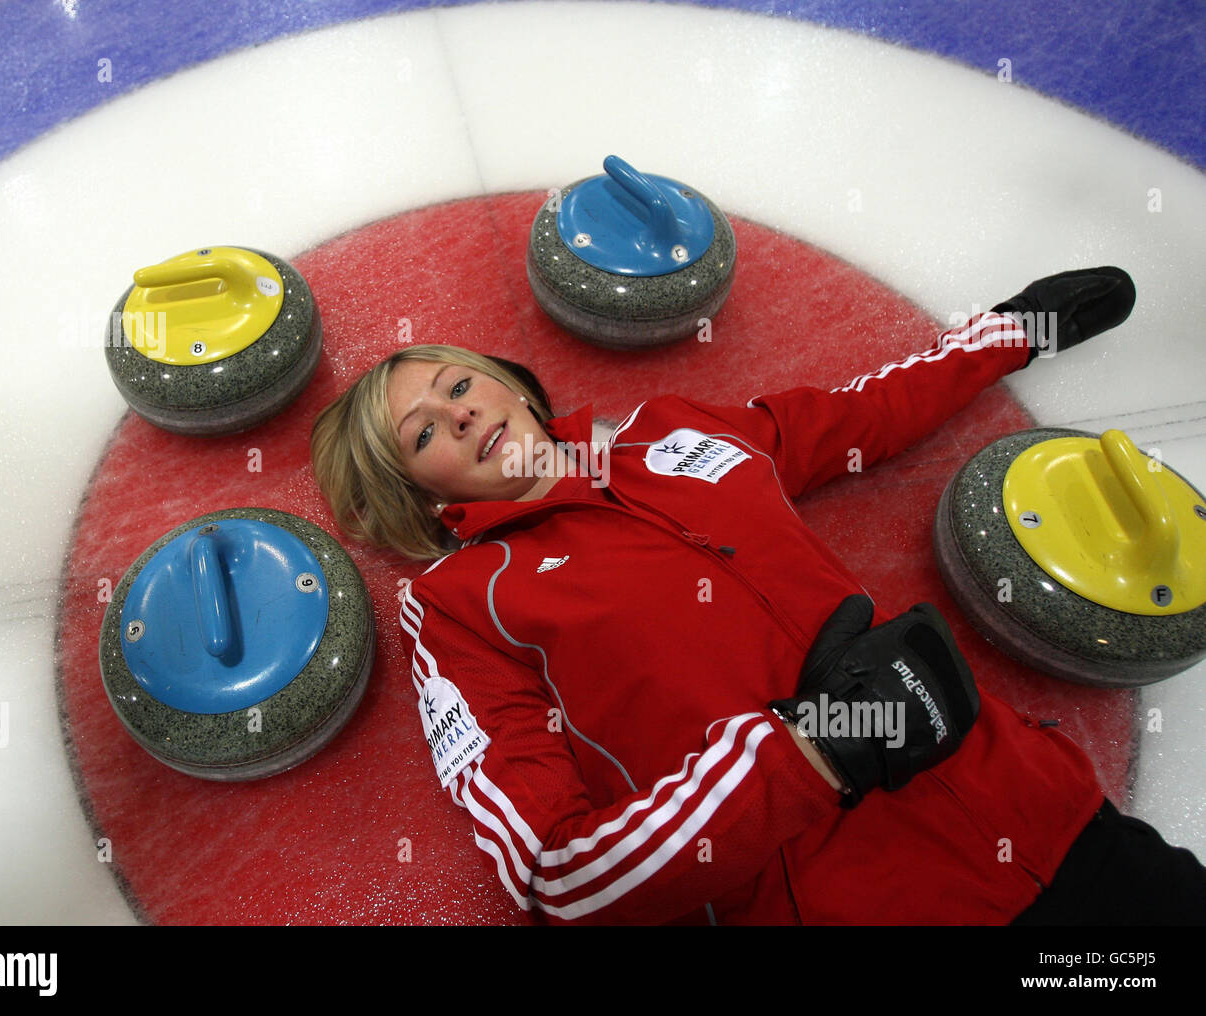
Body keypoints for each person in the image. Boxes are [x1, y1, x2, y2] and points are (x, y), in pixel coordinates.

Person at [310, 267, 1206, 924]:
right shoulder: (458, 604)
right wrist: (812, 751)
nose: (460, 411)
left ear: (507, 382)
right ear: (417, 494)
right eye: (425, 429)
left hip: (1044, 814)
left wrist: (1013, 332)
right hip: (870, 907)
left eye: (459, 384)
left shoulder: (671, 435)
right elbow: (551, 874)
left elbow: (860, 415)